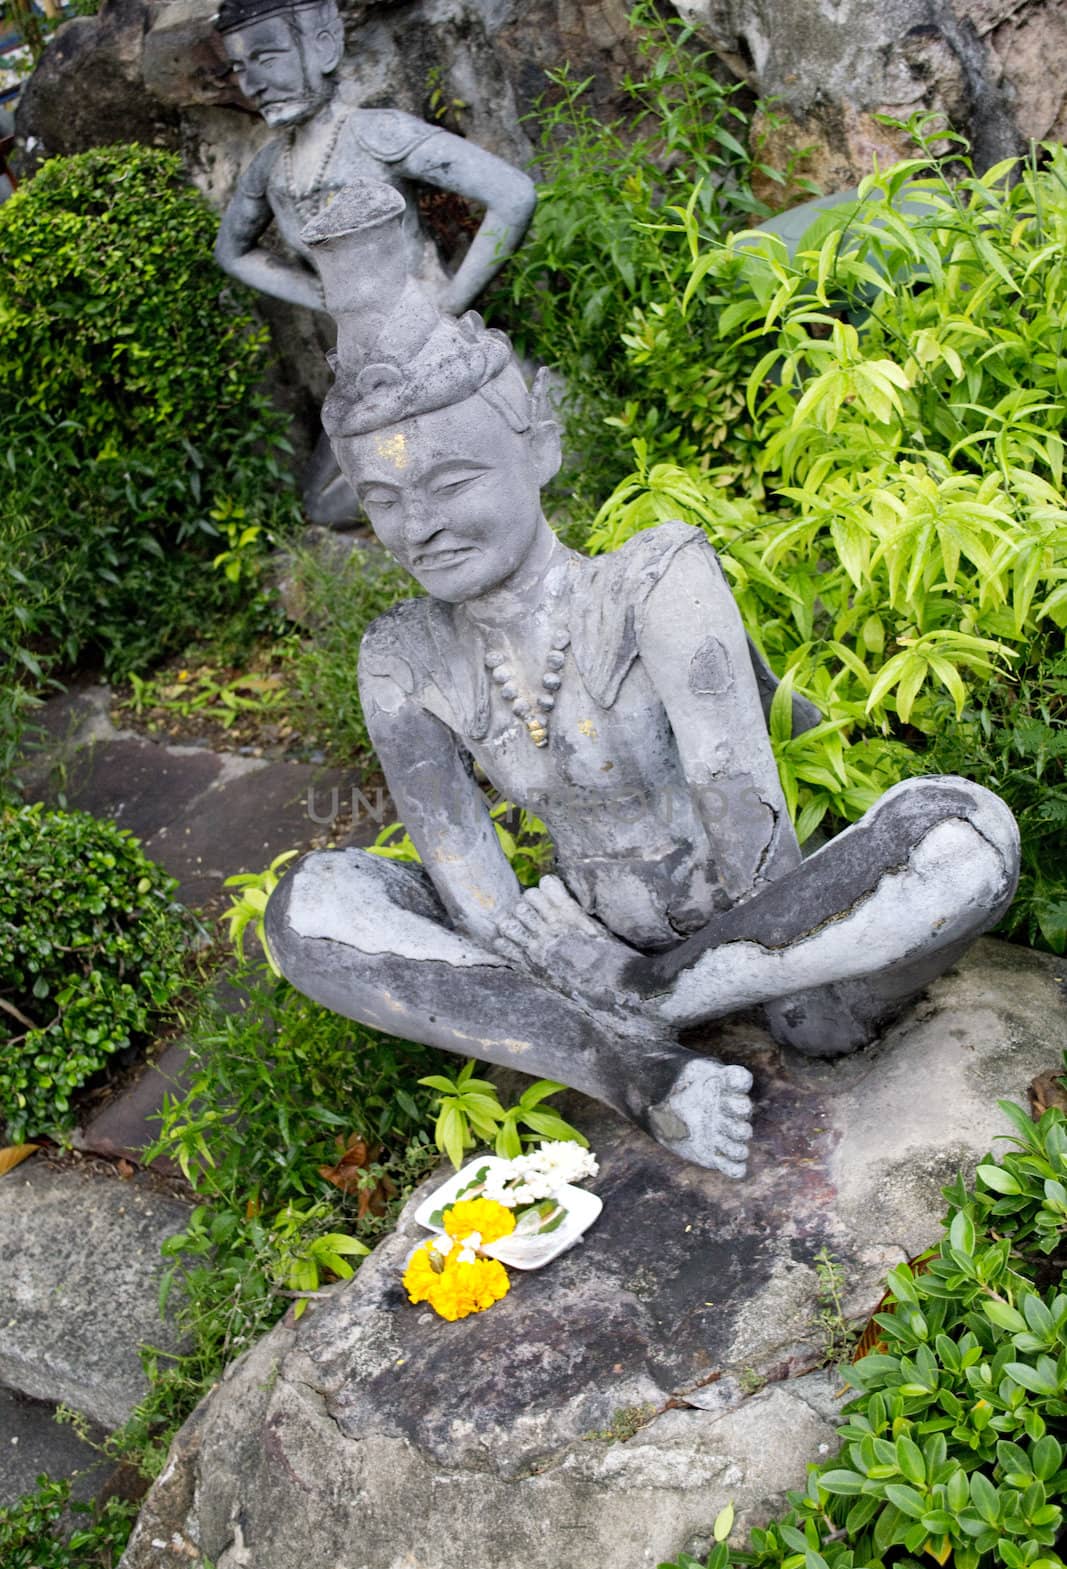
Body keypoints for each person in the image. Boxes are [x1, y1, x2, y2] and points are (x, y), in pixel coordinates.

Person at [264, 183, 1021, 1178]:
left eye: (451, 482)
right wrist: (569, 982)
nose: (421, 526)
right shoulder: (402, 657)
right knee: (308, 905)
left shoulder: (655, 578)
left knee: (964, 833)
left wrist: (633, 982)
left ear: (536, 443)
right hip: (572, 974)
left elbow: (751, 838)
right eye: (383, 498)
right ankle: (633, 1072)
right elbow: (477, 893)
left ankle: (648, 1013)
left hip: (781, 957)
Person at [213, 0, 536, 524]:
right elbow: (231, 251)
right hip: (366, 367)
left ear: (322, 46)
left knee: (510, 441)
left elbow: (513, 195)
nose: (252, 85)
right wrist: (318, 292)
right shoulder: (273, 168)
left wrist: (452, 298)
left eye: (266, 58)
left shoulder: (377, 133)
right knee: (323, 503)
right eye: (238, 69)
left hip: (435, 344)